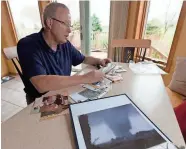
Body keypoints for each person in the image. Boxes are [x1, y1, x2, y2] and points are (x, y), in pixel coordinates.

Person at [17, 2, 111, 104]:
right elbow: (41, 84)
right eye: (65, 24)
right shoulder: (27, 45)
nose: (70, 30)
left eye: (70, 25)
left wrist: (99, 60)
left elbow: (83, 58)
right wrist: (86, 78)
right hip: (39, 102)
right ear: (49, 23)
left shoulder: (64, 44)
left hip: (63, 94)